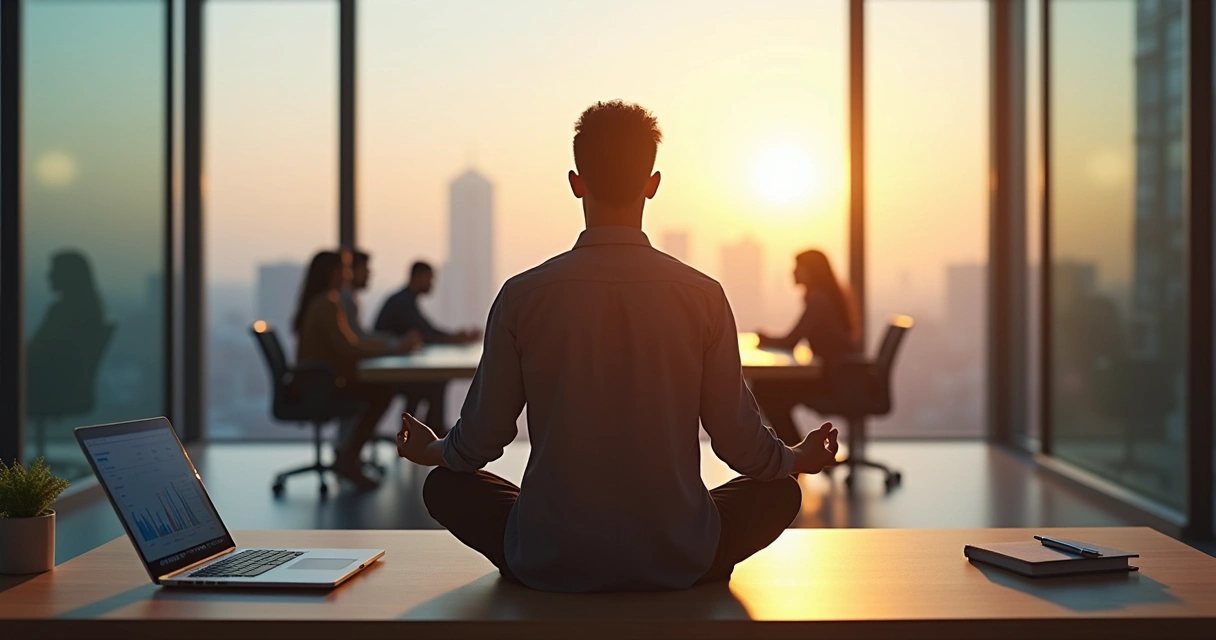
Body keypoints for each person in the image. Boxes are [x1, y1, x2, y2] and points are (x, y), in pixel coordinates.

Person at [395, 100, 839, 593]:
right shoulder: (702, 296)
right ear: (652, 184)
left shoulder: (523, 296)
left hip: (550, 555)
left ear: (576, 182)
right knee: (779, 494)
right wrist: (796, 458)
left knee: (444, 484)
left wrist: (433, 448)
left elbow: (481, 439)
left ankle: (550, 541)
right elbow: (738, 442)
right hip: (680, 554)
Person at [294, 250, 419, 490]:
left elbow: (351, 343)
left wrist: (390, 346)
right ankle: (348, 459)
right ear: (334, 273)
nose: (349, 274)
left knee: (379, 391)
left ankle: (349, 456)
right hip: (319, 387)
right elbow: (349, 348)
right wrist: (394, 348)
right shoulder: (328, 304)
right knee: (381, 393)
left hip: (318, 383)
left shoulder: (324, 301)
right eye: (346, 269)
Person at [750, 249, 863, 445]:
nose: (792, 272)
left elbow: (791, 341)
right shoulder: (824, 296)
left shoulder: (819, 299)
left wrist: (766, 339)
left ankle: (792, 448)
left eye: (797, 267)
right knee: (766, 389)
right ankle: (791, 447)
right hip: (837, 376)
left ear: (811, 271)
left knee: (764, 389)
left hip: (832, 379)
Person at [374, 261, 481, 431]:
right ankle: (432, 431)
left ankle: (416, 433)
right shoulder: (403, 303)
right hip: (388, 375)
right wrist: (455, 338)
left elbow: (426, 331)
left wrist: (455, 337)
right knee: (435, 383)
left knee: (431, 382)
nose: (432, 284)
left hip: (393, 370)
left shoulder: (404, 300)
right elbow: (426, 334)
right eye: (429, 279)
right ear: (417, 277)